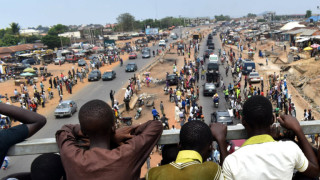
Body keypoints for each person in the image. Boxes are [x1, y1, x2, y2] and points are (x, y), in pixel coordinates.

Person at [56, 100, 163, 180]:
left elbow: (65, 130)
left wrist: (87, 130)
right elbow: (156, 125)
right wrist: (114, 135)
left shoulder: (72, 157)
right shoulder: (127, 153)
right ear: (113, 127)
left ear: (84, 131)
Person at [223, 96, 320, 180]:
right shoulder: (290, 149)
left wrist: (220, 141)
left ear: (243, 121)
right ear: (272, 120)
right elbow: (315, 171)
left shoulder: (231, 161)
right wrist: (298, 130)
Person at [147, 121, 227, 180]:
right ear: (210, 147)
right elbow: (229, 173)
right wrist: (221, 139)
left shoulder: (152, 174)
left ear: (179, 145)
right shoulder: (211, 170)